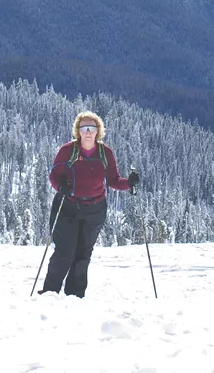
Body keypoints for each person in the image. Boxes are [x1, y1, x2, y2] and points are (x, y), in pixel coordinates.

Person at [39, 111, 139, 298]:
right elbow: (54, 175)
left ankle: (75, 297)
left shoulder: (105, 153)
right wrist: (61, 186)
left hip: (94, 209)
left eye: (91, 128)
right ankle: (49, 294)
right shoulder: (67, 151)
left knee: (83, 254)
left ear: (98, 131)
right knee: (64, 252)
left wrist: (129, 183)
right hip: (67, 206)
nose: (87, 132)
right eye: (83, 128)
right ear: (78, 130)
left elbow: (114, 180)